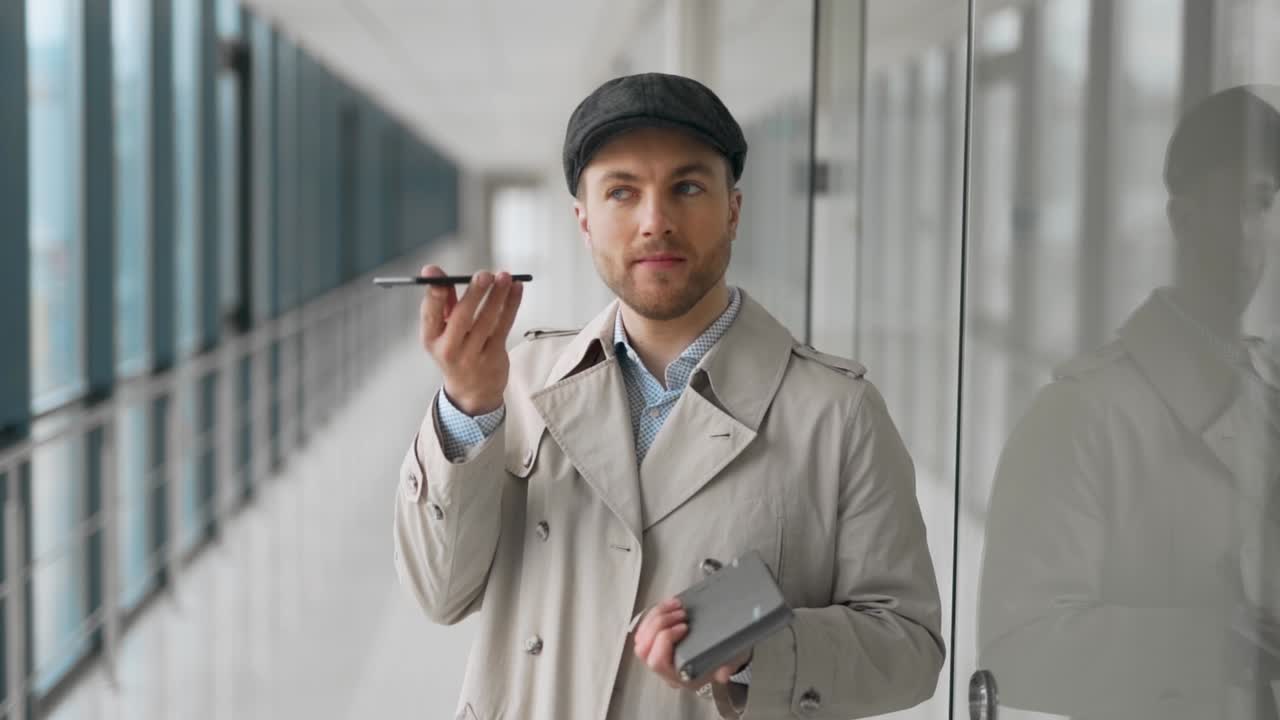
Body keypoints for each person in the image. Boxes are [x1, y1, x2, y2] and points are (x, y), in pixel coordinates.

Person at [393, 72, 944, 720]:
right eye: (622, 192)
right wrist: (466, 406)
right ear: (584, 220)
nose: (655, 221)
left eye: (686, 187)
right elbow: (440, 593)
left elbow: (909, 647)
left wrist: (757, 656)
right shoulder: (515, 382)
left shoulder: (838, 414)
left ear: (733, 209)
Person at [977, 85, 1280, 719]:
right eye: (1242, 201)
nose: (1258, 230)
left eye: (1267, 202)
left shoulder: (1268, 394)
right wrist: (1213, 643)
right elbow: (1017, 649)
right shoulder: (1081, 414)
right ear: (1184, 219)